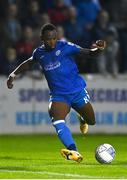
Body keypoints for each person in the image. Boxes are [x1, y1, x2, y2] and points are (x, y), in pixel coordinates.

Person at [7, 23, 106, 163]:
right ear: (42, 38)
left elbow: (90, 53)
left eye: (54, 38)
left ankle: (82, 118)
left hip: (77, 91)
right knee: (57, 120)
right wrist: (13, 74)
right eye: (48, 39)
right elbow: (29, 63)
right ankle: (74, 152)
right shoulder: (39, 53)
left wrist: (99, 49)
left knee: (92, 121)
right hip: (59, 96)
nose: (51, 41)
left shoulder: (66, 47)